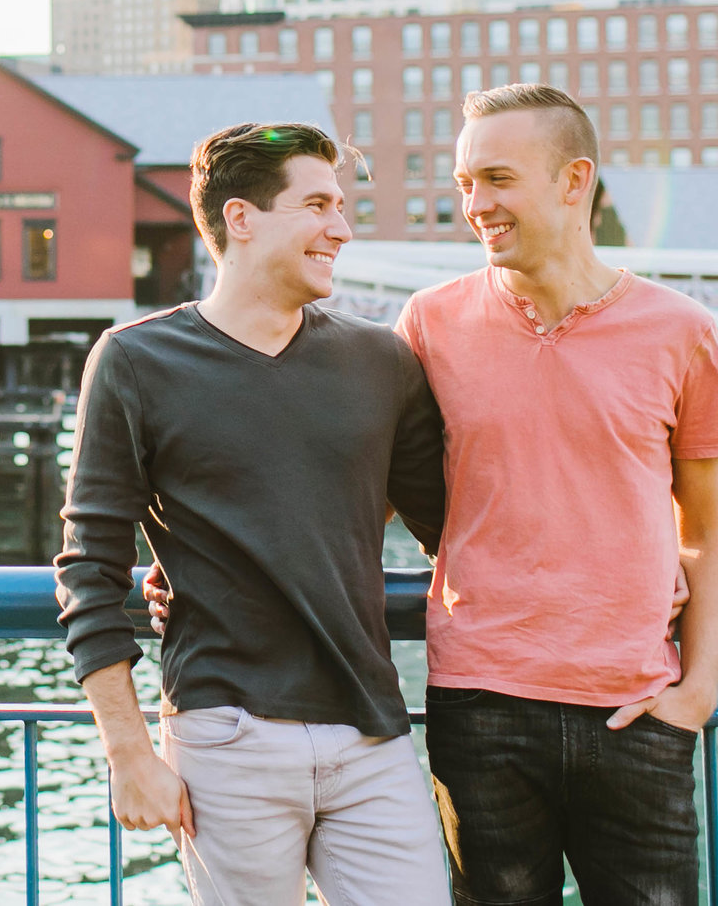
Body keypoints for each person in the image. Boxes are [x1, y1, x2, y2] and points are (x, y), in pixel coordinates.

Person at [144, 85, 718, 906]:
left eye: (496, 178)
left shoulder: (681, 329)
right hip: (480, 703)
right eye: (464, 184)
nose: (475, 205)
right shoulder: (429, 324)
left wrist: (696, 691)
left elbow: (703, 528)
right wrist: (213, 574)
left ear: (575, 181)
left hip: (636, 707)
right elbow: (359, 490)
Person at [54, 122, 451, 906]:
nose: (341, 226)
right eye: (317, 204)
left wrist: (626, 569)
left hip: (371, 730)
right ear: (242, 218)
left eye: (342, 205)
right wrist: (128, 752)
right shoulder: (135, 360)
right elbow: (88, 569)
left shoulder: (384, 361)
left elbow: (459, 531)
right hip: (224, 735)